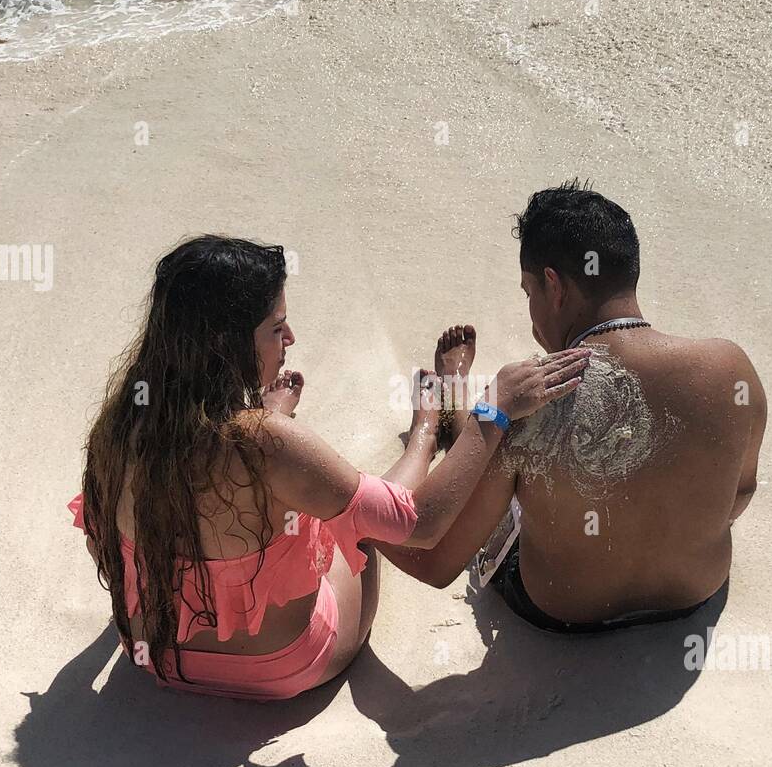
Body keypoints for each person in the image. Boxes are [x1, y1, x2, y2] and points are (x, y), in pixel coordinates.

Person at [69, 235, 589, 697]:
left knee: (282, 504)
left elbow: (108, 545)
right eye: (276, 328)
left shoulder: (116, 427)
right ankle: (430, 431)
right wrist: (494, 406)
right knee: (354, 525)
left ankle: (426, 432)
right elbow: (421, 525)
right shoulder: (269, 445)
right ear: (225, 346)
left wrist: (261, 428)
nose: (290, 338)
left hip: (157, 659)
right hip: (284, 668)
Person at [379, 181, 767, 633]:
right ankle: (462, 406)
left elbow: (432, 559)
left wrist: (496, 412)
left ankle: (447, 413)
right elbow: (740, 494)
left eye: (529, 293)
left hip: (562, 610)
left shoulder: (538, 401)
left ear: (553, 285)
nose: (531, 312)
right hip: (694, 595)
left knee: (503, 445)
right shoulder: (731, 368)